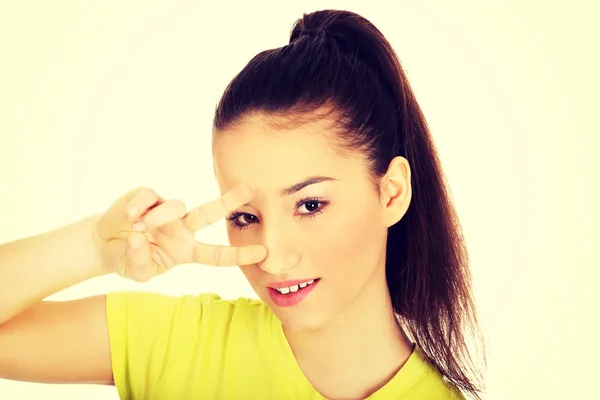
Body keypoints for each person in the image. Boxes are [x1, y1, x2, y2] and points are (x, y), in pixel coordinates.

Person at [0, 9, 486, 400]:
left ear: (391, 192)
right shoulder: (181, 346)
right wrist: (94, 248)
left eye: (310, 205)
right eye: (245, 217)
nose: (271, 256)